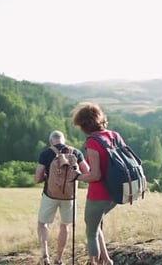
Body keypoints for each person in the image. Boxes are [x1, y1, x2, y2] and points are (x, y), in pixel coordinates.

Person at [71, 102, 122, 265]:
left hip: (99, 194)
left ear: (84, 125)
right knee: (97, 224)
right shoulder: (114, 135)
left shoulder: (93, 141)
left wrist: (76, 176)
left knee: (91, 231)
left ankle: (94, 262)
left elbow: (95, 175)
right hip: (116, 193)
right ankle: (106, 260)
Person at [34, 130, 90, 265]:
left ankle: (45, 256)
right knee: (65, 226)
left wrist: (48, 177)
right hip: (70, 197)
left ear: (51, 141)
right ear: (63, 140)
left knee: (42, 224)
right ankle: (58, 259)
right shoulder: (76, 153)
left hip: (50, 195)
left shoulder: (46, 153)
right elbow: (88, 173)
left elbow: (37, 179)